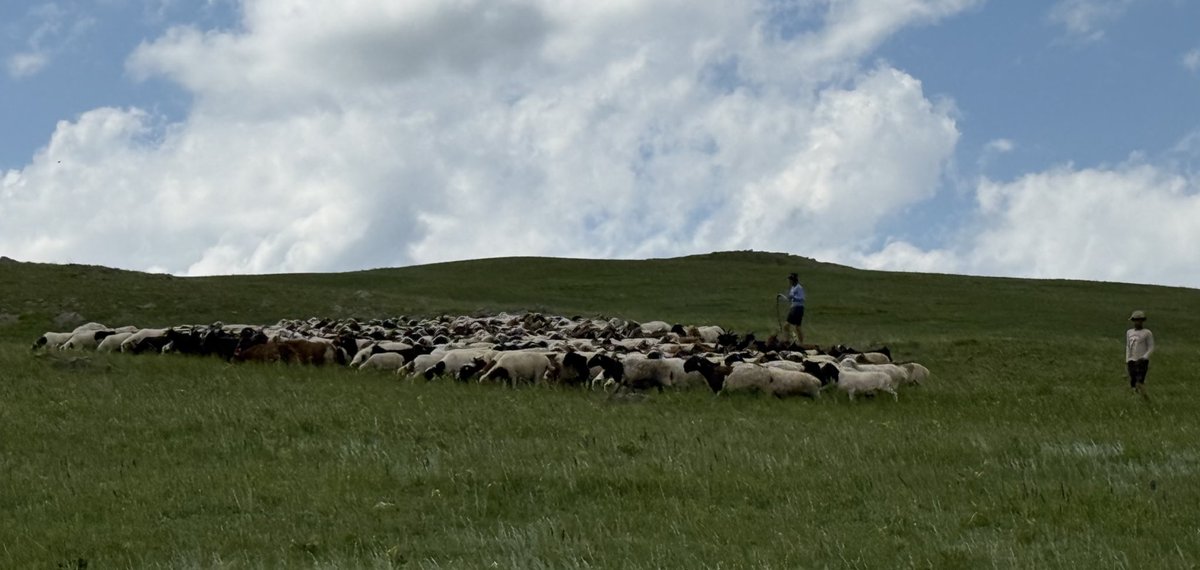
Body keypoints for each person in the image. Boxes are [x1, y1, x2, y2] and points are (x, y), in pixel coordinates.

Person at [1125, 310, 1154, 397]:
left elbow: (1151, 347)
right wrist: (1127, 359)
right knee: (1133, 380)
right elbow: (1128, 346)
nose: (1137, 322)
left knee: (1140, 380)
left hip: (1142, 360)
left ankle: (1144, 396)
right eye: (1135, 320)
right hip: (1131, 360)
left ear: (1142, 321)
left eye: (1139, 320)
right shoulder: (1129, 332)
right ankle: (1134, 395)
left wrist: (1145, 357)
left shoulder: (1147, 333)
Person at [777, 272, 805, 344]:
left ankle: (788, 341)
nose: (789, 281)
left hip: (797, 308)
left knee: (788, 326)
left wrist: (793, 297)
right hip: (794, 307)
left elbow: (802, 298)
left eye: (790, 280)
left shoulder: (799, 288)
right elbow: (790, 298)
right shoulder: (792, 288)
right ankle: (797, 342)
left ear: (794, 280)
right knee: (797, 327)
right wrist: (783, 297)